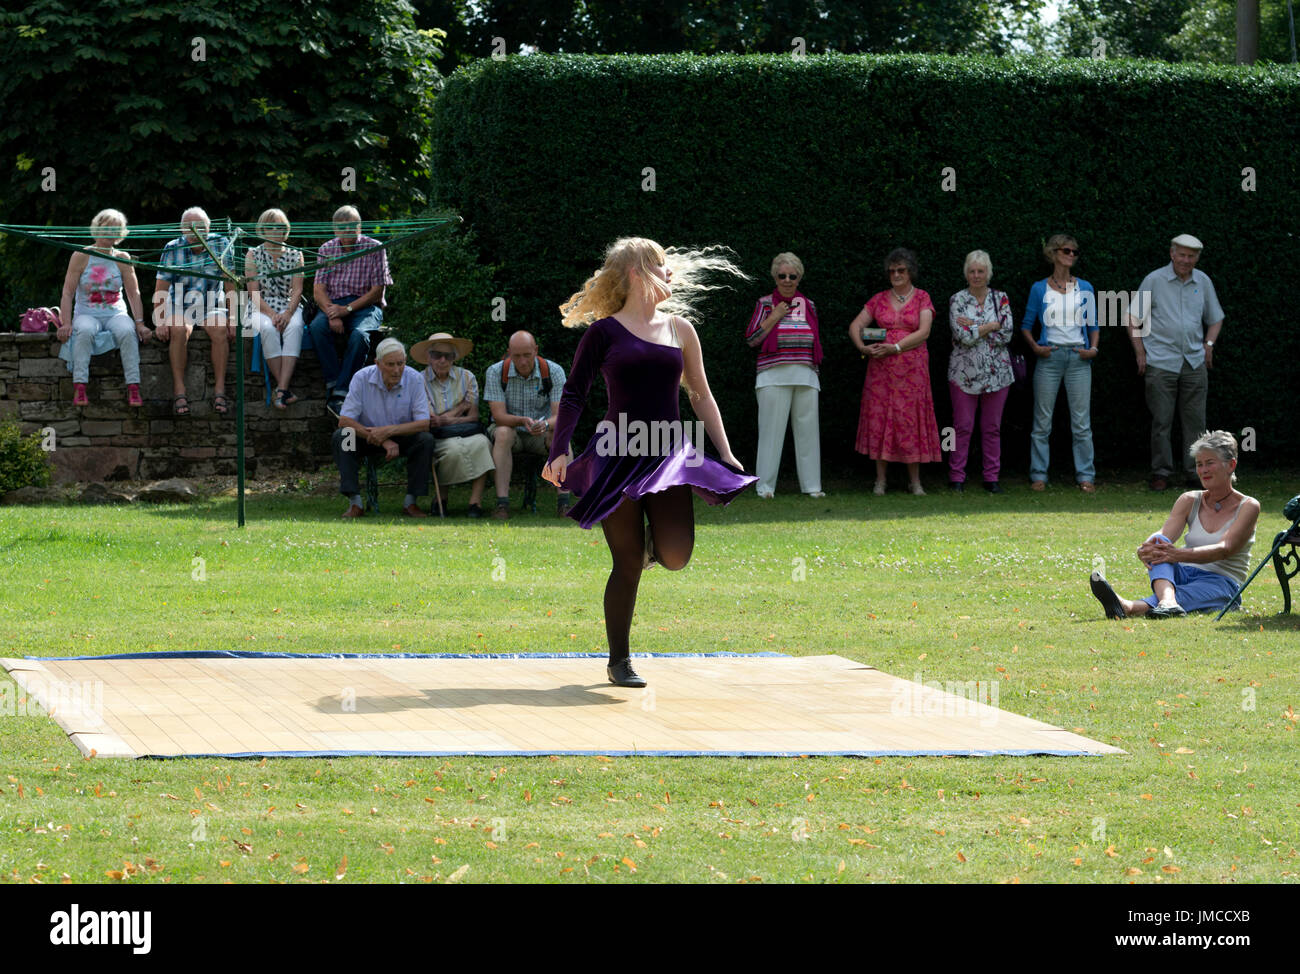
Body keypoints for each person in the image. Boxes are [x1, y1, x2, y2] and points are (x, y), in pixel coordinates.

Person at [542, 237, 756, 687]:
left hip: (667, 457)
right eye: (661, 266)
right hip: (616, 455)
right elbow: (575, 393)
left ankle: (652, 545)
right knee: (626, 562)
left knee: (676, 556)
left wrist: (727, 452)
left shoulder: (681, 330)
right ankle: (619, 661)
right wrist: (560, 447)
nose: (671, 274)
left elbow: (700, 394)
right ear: (638, 273)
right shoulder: (603, 333)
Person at [1089, 430, 1258, 618]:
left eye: (1209, 463)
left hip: (1222, 582)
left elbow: (1225, 549)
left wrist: (1178, 554)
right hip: (1182, 574)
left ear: (1231, 465)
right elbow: (1164, 534)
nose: (1203, 470)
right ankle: (1167, 602)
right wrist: (1146, 548)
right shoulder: (1189, 499)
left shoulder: (1248, 506)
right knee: (1158, 542)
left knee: (1183, 591)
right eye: (1199, 464)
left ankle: (1130, 607)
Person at [1125, 234, 1225, 491]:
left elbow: (1215, 318)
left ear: (1197, 258)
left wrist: (1209, 345)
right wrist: (1140, 352)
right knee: (1161, 422)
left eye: (1191, 256)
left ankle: (1196, 473)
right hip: (1160, 361)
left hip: (1194, 362)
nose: (1186, 260)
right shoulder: (1154, 280)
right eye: (1181, 254)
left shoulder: (1202, 281)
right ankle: (1161, 473)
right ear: (1172, 254)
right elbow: (1132, 318)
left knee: (1196, 424)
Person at [848, 248, 941, 495]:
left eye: (901, 270)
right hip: (882, 373)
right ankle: (880, 481)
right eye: (892, 271)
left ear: (910, 272)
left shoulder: (922, 297)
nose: (896, 274)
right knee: (880, 420)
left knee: (911, 421)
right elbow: (856, 325)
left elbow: (924, 332)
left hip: (913, 372)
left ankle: (915, 481)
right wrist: (863, 349)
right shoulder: (878, 299)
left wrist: (896, 347)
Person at [1020, 233, 1098, 492]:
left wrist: (1093, 348)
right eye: (1067, 250)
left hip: (1078, 358)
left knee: (1081, 423)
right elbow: (1026, 325)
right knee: (1042, 422)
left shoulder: (1085, 287)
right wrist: (1035, 347)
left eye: (1075, 251)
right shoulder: (1039, 288)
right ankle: (1039, 475)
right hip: (1050, 359)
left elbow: (1093, 325)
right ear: (1053, 253)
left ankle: (1086, 476)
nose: (1072, 255)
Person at [746, 252, 824, 499]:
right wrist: (774, 317)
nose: (787, 280)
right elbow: (751, 339)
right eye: (782, 275)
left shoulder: (809, 305)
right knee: (771, 433)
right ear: (775, 277)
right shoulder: (766, 303)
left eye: (793, 276)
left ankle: (812, 487)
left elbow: (816, 343)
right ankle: (765, 488)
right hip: (773, 375)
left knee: (809, 434)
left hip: (806, 374)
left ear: (799, 278)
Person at [330, 337, 434, 519]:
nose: (396, 370)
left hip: (401, 435)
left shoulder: (415, 378)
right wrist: (383, 439)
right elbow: (345, 420)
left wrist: (389, 432)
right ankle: (355, 502)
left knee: (425, 440)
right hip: (367, 435)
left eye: (400, 363)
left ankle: (411, 502)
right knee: (343, 436)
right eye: (390, 364)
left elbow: (423, 423)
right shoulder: (361, 378)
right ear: (377, 363)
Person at [56, 209, 149, 406]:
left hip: (116, 313)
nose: (109, 232)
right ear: (97, 229)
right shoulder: (81, 255)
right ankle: (80, 387)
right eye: (106, 228)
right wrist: (65, 323)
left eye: (115, 229)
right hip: (87, 313)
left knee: (127, 331)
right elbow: (67, 293)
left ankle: (133, 388)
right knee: (85, 331)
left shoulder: (123, 257)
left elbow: (134, 293)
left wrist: (140, 323)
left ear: (120, 233)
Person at [152, 206, 238, 416]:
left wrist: (234, 318)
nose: (195, 232)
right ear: (182, 229)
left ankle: (219, 390)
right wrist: (160, 321)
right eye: (189, 227)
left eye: (200, 227)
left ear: (208, 227)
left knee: (220, 331)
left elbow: (230, 285)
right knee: (179, 330)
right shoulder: (172, 248)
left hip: (211, 304)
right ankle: (179, 391)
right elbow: (161, 289)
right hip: (179, 304)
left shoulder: (221, 244)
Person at [309, 206, 393, 414]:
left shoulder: (375, 247)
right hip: (333, 303)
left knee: (360, 335)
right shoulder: (326, 249)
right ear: (335, 230)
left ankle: (342, 390)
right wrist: (332, 313)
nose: (348, 232)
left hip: (364, 305)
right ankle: (333, 381)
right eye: (343, 228)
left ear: (360, 226)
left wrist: (346, 310)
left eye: (353, 227)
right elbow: (318, 290)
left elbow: (376, 291)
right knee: (316, 328)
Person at [483, 331, 572, 519]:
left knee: (560, 436)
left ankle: (564, 504)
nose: (522, 361)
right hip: (509, 430)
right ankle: (502, 504)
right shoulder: (495, 372)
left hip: (540, 433)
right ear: (509, 353)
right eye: (516, 356)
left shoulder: (554, 371)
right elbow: (498, 416)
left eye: (527, 355)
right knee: (503, 433)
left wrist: (545, 425)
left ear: (536, 350)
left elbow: (562, 417)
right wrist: (521, 421)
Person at [946, 249, 1014, 493]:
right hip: (962, 373)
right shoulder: (957, 300)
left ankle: (991, 477)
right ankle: (955, 475)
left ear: (988, 273)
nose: (976, 275)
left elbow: (1006, 333)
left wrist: (976, 327)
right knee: (959, 426)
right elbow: (962, 337)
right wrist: (990, 325)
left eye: (981, 271)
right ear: (966, 274)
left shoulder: (1001, 298)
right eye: (972, 271)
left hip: (998, 374)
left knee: (992, 428)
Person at [410, 330, 494, 517]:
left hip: (468, 431)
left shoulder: (467, 377)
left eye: (447, 356)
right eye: (437, 355)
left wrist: (447, 418)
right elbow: (431, 420)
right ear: (428, 357)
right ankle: (442, 498)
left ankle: (475, 502)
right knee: (452, 450)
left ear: (454, 358)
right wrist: (460, 408)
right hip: (438, 435)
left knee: (484, 444)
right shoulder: (418, 380)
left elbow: (473, 416)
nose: (442, 360)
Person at [245, 208, 305, 409]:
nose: (274, 230)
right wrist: (272, 314)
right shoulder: (252, 254)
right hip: (261, 307)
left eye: (279, 226)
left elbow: (297, 290)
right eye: (269, 226)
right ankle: (284, 388)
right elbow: (253, 293)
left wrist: (288, 314)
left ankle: (280, 389)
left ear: (285, 229)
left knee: (295, 327)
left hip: (289, 305)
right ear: (262, 229)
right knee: (269, 329)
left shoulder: (297, 255)